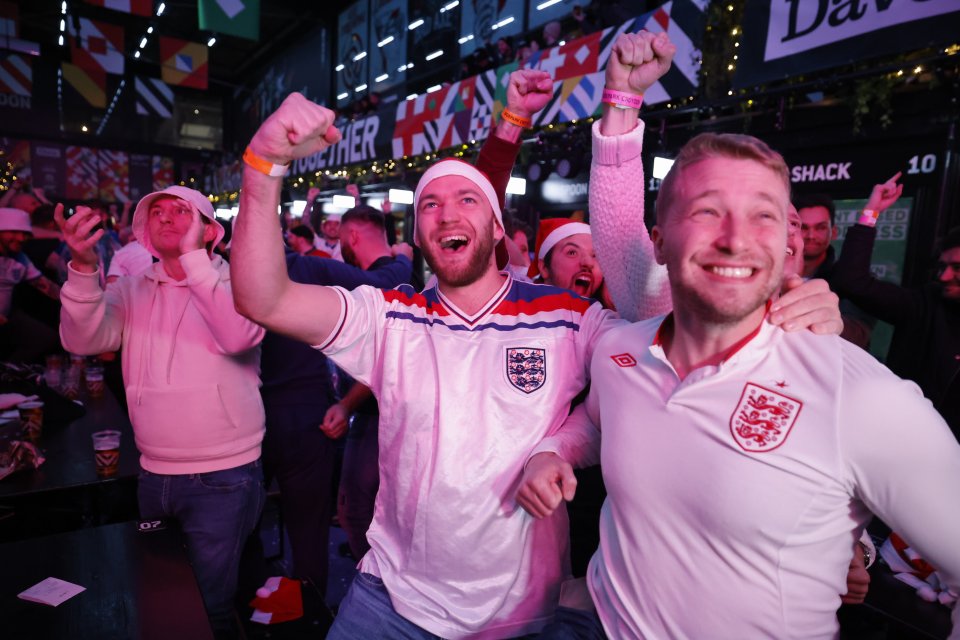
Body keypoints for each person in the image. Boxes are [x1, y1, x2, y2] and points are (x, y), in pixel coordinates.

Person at [231, 63, 840, 637]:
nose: (447, 211)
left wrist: (778, 309)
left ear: (497, 228)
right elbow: (264, 298)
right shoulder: (391, 317)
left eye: (469, 199)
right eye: (430, 205)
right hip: (394, 598)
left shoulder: (566, 318)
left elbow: (663, 350)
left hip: (525, 614)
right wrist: (262, 167)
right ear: (417, 235)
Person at [524, 33, 960, 639]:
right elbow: (597, 420)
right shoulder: (621, 349)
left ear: (790, 246)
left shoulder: (862, 397)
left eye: (763, 213)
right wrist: (553, 450)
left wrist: (848, 540)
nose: (734, 236)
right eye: (706, 210)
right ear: (661, 241)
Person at [56, 186, 266, 639]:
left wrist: (193, 259)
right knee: (165, 597)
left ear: (210, 230)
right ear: (144, 231)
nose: (166, 217)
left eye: (180, 211)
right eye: (158, 212)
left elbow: (236, 336)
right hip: (153, 471)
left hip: (224, 474)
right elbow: (83, 341)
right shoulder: (132, 289)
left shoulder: (241, 283)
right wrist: (84, 269)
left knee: (207, 605)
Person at [258, 204, 412, 597]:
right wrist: (402, 256)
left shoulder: (225, 276)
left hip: (242, 418)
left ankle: (250, 600)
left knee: (239, 524)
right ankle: (307, 607)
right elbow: (386, 283)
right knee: (312, 525)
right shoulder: (306, 267)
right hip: (302, 413)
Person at [832, 173, 960, 441]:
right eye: (943, 267)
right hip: (907, 442)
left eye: (957, 269)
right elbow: (852, 281)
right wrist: (872, 212)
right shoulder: (923, 306)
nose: (945, 276)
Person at [794, 192, 874, 348]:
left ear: (834, 232)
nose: (811, 235)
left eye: (820, 227)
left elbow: (859, 334)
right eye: (803, 227)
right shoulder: (774, 275)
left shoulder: (850, 279)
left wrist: (834, 324)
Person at [0, 207, 61, 361]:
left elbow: (45, 286)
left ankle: (10, 373)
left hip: (7, 318)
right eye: (13, 232)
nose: (20, 238)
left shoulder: (19, 258)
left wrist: (79, 300)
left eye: (25, 233)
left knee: (45, 338)